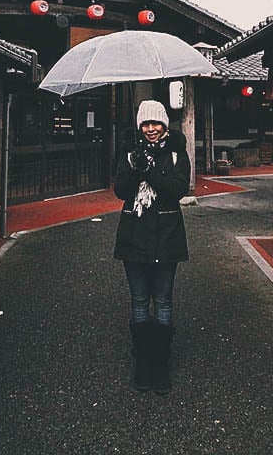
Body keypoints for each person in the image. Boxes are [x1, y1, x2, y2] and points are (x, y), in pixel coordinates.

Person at [113, 99, 190, 394]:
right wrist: (135, 168)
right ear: (139, 126)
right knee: (139, 299)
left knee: (163, 299)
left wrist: (151, 171)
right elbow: (120, 191)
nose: (151, 129)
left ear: (165, 124)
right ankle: (144, 360)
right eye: (145, 123)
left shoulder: (176, 153)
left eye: (156, 122)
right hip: (134, 234)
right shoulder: (129, 153)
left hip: (166, 236)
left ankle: (160, 360)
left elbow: (178, 189)